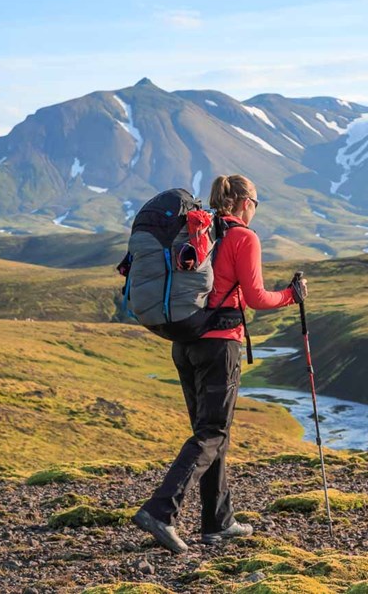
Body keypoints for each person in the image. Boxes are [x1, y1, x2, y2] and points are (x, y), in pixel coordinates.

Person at [132, 174, 308, 553]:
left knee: (210, 434)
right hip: (220, 346)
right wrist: (291, 296)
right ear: (245, 202)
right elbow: (258, 297)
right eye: (257, 202)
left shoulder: (202, 230)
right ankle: (161, 511)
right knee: (212, 433)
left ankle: (218, 522)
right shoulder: (243, 237)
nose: (256, 209)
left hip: (186, 343)